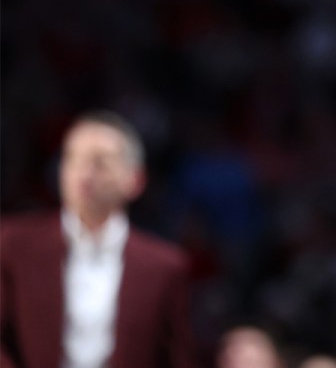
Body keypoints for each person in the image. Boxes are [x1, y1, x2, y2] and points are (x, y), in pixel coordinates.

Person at [0, 110, 197, 368]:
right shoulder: (15, 243)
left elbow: (177, 358)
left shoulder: (164, 267)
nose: (84, 172)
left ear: (135, 180)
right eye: (72, 158)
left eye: (100, 162)